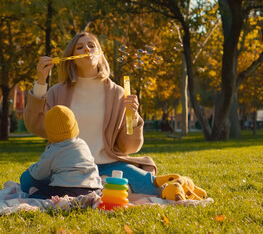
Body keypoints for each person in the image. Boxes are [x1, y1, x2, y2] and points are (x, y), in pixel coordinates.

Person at [21, 32, 169, 196]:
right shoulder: (57, 92)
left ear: (100, 55)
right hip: (68, 165)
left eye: (92, 45)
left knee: (151, 186)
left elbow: (129, 147)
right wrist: (41, 82)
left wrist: (133, 118)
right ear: (71, 57)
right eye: (80, 47)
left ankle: (90, 183)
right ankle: (101, 184)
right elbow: (35, 126)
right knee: (26, 181)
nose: (86, 48)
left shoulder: (118, 93)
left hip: (109, 164)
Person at [26, 105, 102, 199]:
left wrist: (31, 169)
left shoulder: (53, 149)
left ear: (49, 131)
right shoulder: (82, 144)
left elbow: (38, 173)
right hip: (92, 187)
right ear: (74, 124)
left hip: (64, 190)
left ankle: (36, 194)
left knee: (26, 178)